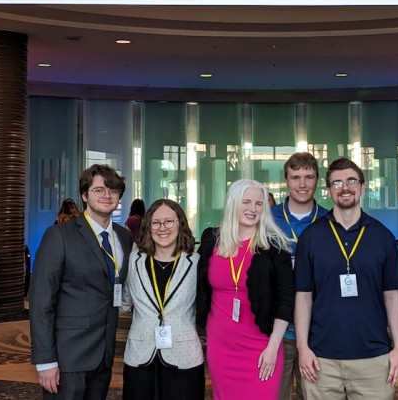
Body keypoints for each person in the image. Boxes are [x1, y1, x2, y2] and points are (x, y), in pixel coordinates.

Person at [294, 157, 398, 399]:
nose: (345, 187)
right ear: (328, 191)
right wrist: (303, 347)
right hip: (321, 358)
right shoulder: (311, 237)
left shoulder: (382, 236)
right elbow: (303, 296)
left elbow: (392, 296)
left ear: (363, 187)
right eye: (337, 183)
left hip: (374, 358)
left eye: (351, 181)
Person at [29, 164, 134, 399]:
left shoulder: (125, 237)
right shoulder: (60, 235)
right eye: (99, 190)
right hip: (67, 358)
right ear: (85, 195)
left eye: (113, 191)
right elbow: (41, 302)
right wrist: (45, 361)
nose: (107, 196)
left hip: (104, 355)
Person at [198, 179, 295, 399]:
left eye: (259, 204)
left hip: (262, 347)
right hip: (221, 345)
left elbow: (285, 302)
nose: (253, 209)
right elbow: (201, 288)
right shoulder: (211, 240)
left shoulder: (275, 247)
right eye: (246, 202)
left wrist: (272, 348)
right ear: (233, 203)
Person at [122, 199, 204, 400]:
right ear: (148, 226)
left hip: (184, 355)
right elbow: (124, 302)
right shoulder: (134, 259)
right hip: (140, 354)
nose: (162, 228)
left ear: (180, 224)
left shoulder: (195, 262)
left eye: (169, 221)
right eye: (156, 223)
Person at [270, 152, 329, 400]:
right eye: (295, 177)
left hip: (319, 332)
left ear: (317, 180)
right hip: (276, 331)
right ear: (286, 181)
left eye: (309, 177)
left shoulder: (330, 220)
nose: (302, 184)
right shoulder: (268, 219)